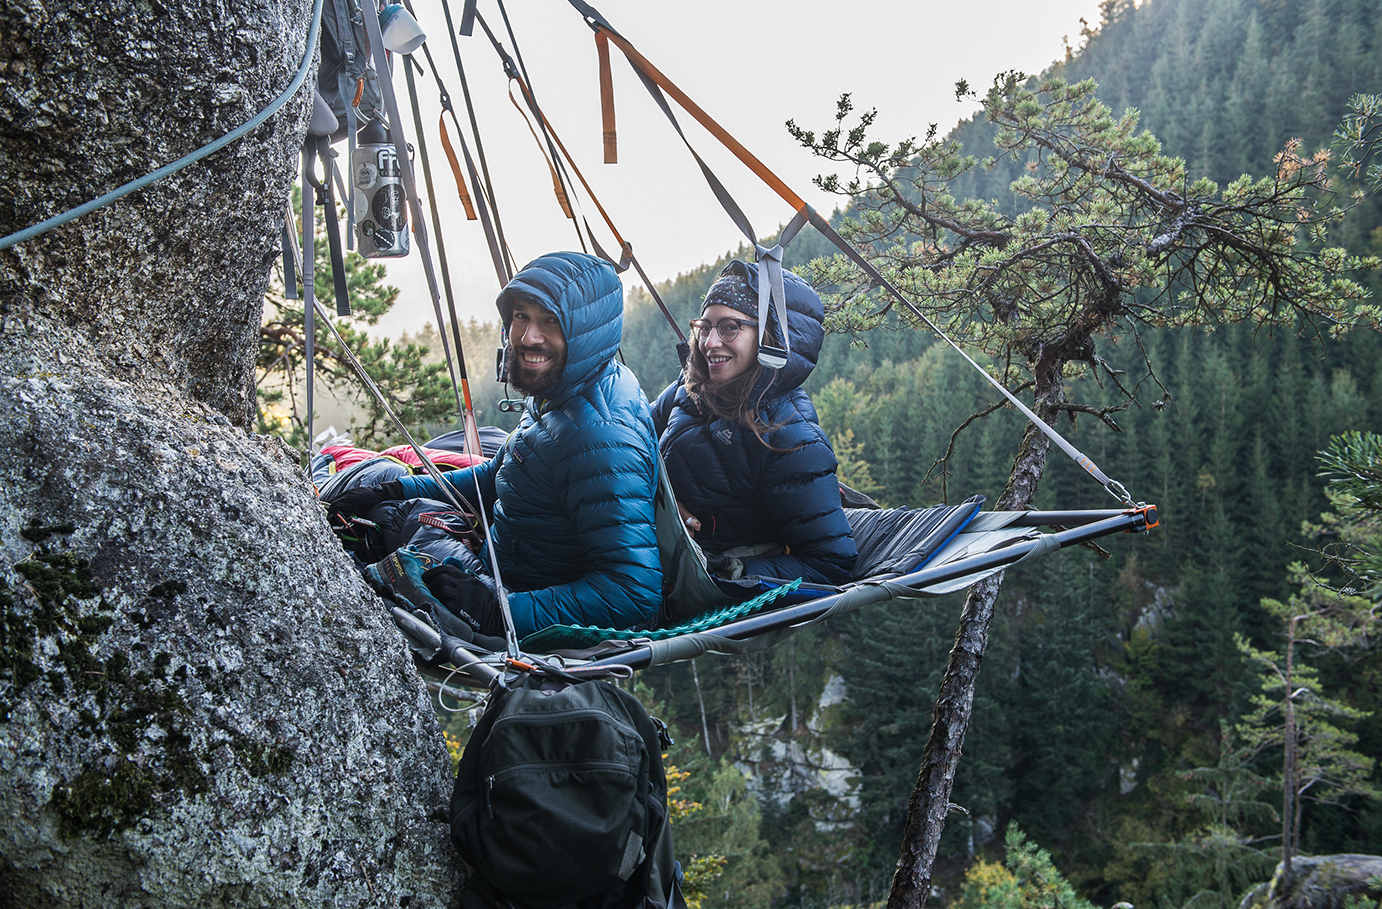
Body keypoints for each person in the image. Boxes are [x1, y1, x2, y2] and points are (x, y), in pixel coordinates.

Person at [329, 252, 662, 638]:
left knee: (392, 523)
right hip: (504, 563)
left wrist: (496, 610)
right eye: (521, 316)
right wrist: (397, 486)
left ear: (588, 331)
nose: (526, 337)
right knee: (385, 498)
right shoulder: (564, 388)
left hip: (522, 598)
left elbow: (634, 593)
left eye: (550, 321)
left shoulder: (600, 439)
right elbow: (498, 474)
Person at [651, 260, 857, 585]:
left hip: (699, 589)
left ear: (768, 337)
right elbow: (633, 440)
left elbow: (830, 563)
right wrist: (660, 498)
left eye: (729, 327)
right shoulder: (690, 390)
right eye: (705, 327)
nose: (709, 343)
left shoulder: (791, 440)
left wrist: (731, 573)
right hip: (648, 553)